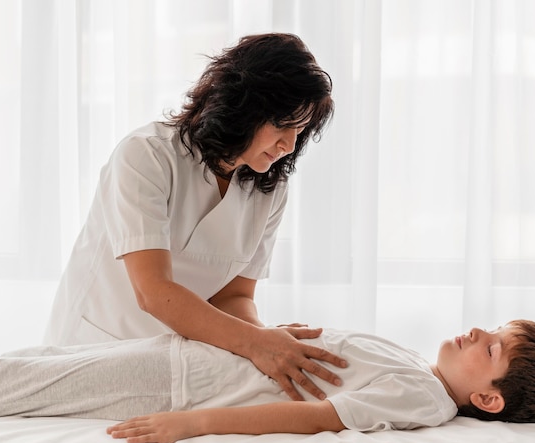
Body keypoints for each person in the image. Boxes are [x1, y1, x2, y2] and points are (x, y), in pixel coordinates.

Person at [43, 33, 345, 401]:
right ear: (245, 107)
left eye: (300, 131)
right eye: (283, 126)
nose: (290, 146)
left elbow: (234, 296)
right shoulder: (147, 157)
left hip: (174, 363)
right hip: (92, 350)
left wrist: (265, 343)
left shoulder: (270, 189)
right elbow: (153, 292)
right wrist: (255, 343)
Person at [0, 319, 535, 443]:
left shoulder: (423, 398)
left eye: (493, 345)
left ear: (487, 398)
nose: (478, 330)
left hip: (178, 382)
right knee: (25, 366)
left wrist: (191, 424)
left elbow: (314, 416)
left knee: (8, 382)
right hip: (189, 355)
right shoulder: (414, 367)